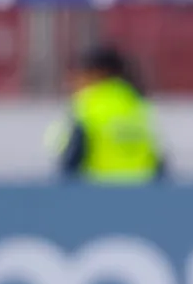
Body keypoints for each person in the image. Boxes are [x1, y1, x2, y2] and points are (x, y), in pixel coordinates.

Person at [48, 45, 166, 183]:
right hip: (140, 195)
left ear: (97, 73)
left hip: (98, 195)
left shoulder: (87, 105)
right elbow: (158, 162)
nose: (75, 81)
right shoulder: (138, 104)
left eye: (80, 73)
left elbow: (70, 162)